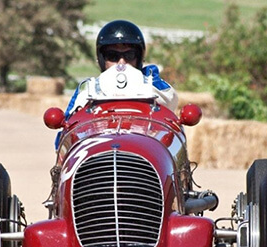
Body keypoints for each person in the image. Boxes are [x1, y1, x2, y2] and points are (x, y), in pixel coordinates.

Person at [55, 19, 178, 151]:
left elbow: (171, 105)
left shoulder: (153, 83)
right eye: (112, 56)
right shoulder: (87, 89)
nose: (121, 63)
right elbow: (66, 134)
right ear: (102, 59)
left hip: (144, 150)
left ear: (139, 57)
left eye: (129, 55)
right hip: (99, 152)